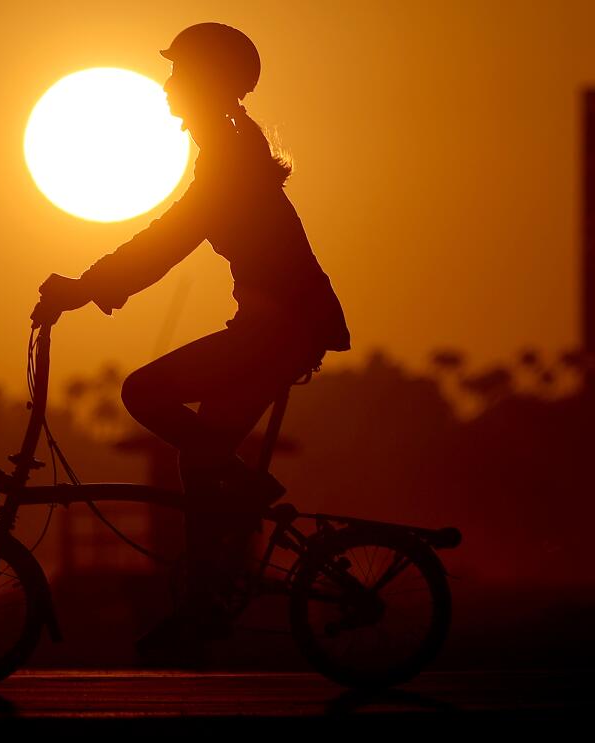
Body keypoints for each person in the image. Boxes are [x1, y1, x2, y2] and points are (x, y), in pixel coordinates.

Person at [32, 22, 351, 667]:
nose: (169, 86)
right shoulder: (228, 152)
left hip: (278, 331)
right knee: (199, 466)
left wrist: (84, 288)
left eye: (179, 74)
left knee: (144, 392)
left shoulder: (229, 163)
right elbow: (172, 234)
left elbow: (169, 238)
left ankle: (233, 500)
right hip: (272, 330)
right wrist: (92, 287)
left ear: (207, 84)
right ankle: (204, 605)